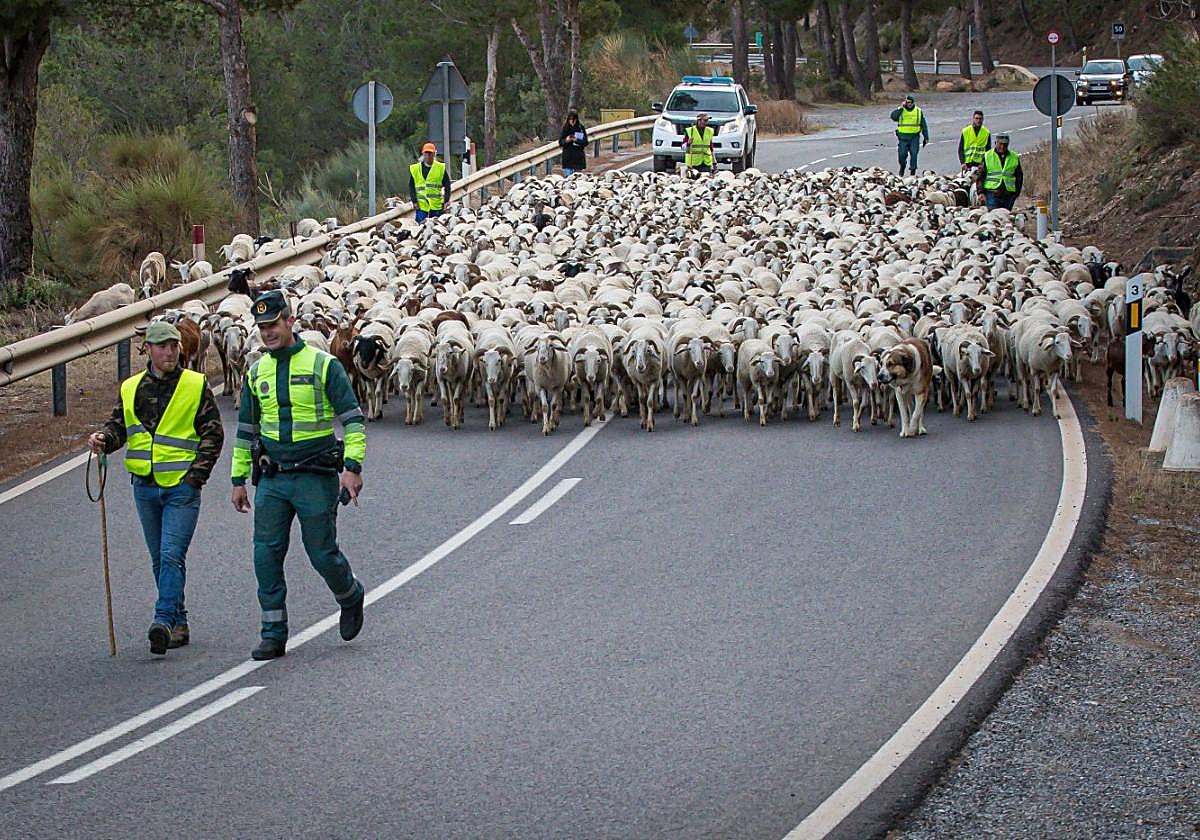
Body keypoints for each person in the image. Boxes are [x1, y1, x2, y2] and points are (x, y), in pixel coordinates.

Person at [230, 291, 367, 661]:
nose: (268, 333)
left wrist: (352, 468)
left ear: (290, 321)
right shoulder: (256, 371)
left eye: (273, 325)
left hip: (314, 475)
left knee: (322, 553)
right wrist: (237, 479)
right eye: (261, 327)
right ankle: (273, 632)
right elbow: (245, 430)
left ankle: (350, 595)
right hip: (272, 477)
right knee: (265, 554)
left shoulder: (324, 365)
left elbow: (352, 419)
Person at [88, 321, 224, 656]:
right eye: (162, 346)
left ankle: (162, 621)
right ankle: (178, 622)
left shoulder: (195, 385)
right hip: (145, 488)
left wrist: (196, 477)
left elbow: (213, 434)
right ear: (147, 349)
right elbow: (119, 427)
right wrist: (104, 440)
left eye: (174, 345)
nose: (170, 352)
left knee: (170, 555)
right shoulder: (131, 387)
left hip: (181, 488)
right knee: (158, 559)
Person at [979, 133, 1023, 211]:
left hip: (1008, 195)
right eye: (1000, 144)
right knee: (993, 217)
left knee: (1005, 218)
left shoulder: (1014, 157)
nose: (1002, 147)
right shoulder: (987, 156)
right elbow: (981, 175)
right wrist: (980, 192)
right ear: (996, 143)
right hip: (992, 193)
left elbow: (1019, 176)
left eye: (1005, 144)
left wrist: (1016, 193)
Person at [409, 142, 451, 222]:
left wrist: (446, 200)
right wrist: (414, 201)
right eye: (426, 153)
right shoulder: (415, 169)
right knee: (421, 228)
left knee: (437, 228)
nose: (428, 155)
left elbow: (447, 184)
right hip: (421, 206)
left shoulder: (440, 168)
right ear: (423, 153)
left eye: (430, 153)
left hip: (436, 205)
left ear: (434, 154)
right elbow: (411, 186)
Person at [890, 94, 929, 176]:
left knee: (914, 155)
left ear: (913, 103)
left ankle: (912, 172)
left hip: (914, 137)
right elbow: (893, 117)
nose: (909, 104)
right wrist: (901, 108)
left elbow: (923, 125)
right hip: (903, 138)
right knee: (902, 155)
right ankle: (902, 167)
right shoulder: (901, 110)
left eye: (910, 102)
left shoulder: (918, 111)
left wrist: (926, 137)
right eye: (907, 102)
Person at [958, 110, 991, 175]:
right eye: (976, 118)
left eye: (980, 119)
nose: (978, 120)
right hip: (967, 164)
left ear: (983, 120)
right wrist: (962, 163)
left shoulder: (986, 132)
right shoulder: (965, 131)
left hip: (979, 164)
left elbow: (988, 151)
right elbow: (960, 149)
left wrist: (984, 163)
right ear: (973, 119)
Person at [559, 110, 588, 176]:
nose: (572, 122)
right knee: (568, 179)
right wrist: (566, 140)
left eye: (573, 120)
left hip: (578, 158)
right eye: (570, 119)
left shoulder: (580, 128)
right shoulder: (565, 128)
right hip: (568, 158)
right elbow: (560, 142)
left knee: (577, 179)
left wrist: (576, 140)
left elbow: (585, 142)